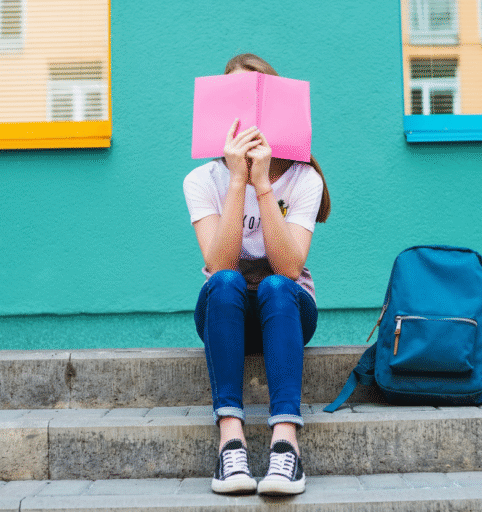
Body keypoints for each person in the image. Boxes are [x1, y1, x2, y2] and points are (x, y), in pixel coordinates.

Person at [183, 53, 331, 496]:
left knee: (276, 284)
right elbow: (220, 264)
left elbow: (289, 267)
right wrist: (236, 181)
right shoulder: (201, 180)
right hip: (224, 314)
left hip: (285, 312)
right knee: (225, 282)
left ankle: (286, 447)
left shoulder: (305, 180)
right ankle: (232, 443)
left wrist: (262, 183)